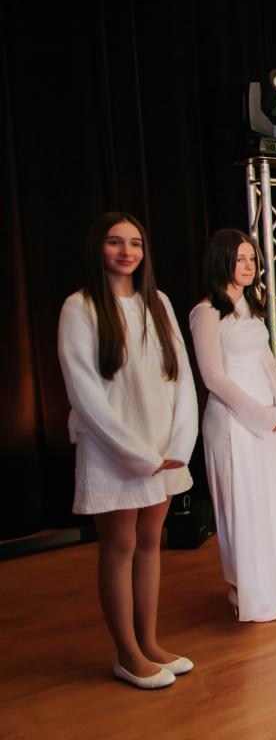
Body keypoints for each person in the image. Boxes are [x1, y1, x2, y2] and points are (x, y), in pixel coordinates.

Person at [57, 212, 197, 689]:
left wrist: (178, 444)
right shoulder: (80, 307)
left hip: (163, 448)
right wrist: (136, 454)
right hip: (113, 451)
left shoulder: (158, 303)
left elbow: (181, 378)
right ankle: (127, 653)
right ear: (98, 248)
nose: (126, 251)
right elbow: (85, 393)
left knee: (151, 543)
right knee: (120, 546)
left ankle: (149, 643)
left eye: (135, 243)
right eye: (115, 242)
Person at [189, 229, 276, 622]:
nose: (249, 265)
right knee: (243, 506)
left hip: (266, 419)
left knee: (269, 502)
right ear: (222, 261)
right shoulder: (207, 312)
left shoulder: (250, 307)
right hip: (232, 421)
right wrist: (260, 414)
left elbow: (266, 358)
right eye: (240, 259)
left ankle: (271, 587)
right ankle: (245, 592)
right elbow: (213, 376)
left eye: (252, 259)